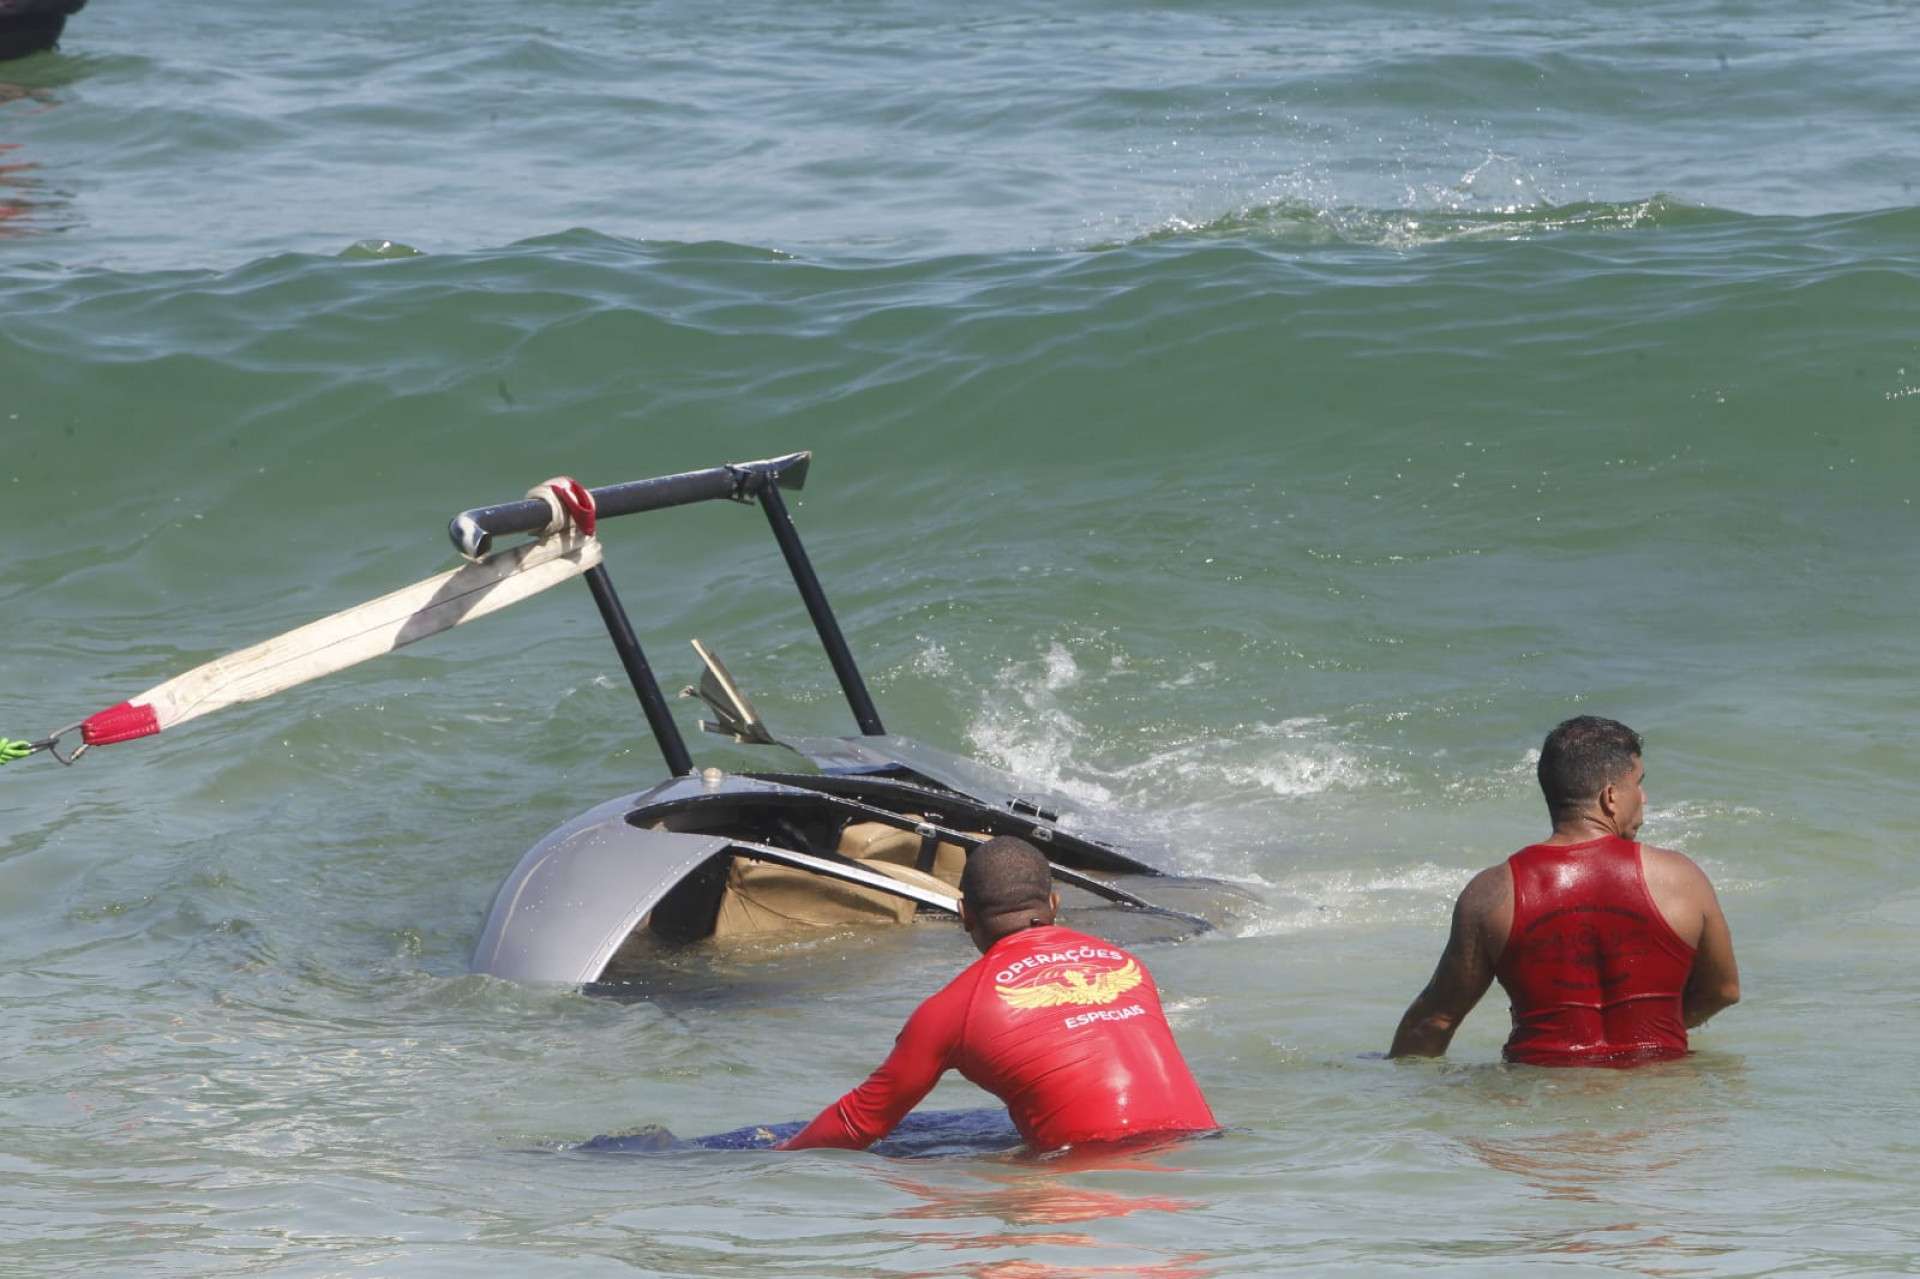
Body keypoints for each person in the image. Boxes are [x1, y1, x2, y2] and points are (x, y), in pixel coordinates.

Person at [777, 835, 1218, 1151]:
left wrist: (766, 1167)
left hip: (1088, 1178)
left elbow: (857, 1124)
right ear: (1054, 904)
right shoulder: (1126, 964)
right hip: (1198, 1157)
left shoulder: (953, 1008)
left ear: (964, 914)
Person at [1388, 716, 1740, 1066]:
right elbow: (1723, 990)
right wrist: (1650, 1030)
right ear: (1611, 796)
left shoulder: (1493, 892)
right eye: (1639, 783)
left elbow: (1434, 1021)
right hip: (1658, 1103)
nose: (1644, 797)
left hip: (1544, 1105)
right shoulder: (1681, 878)